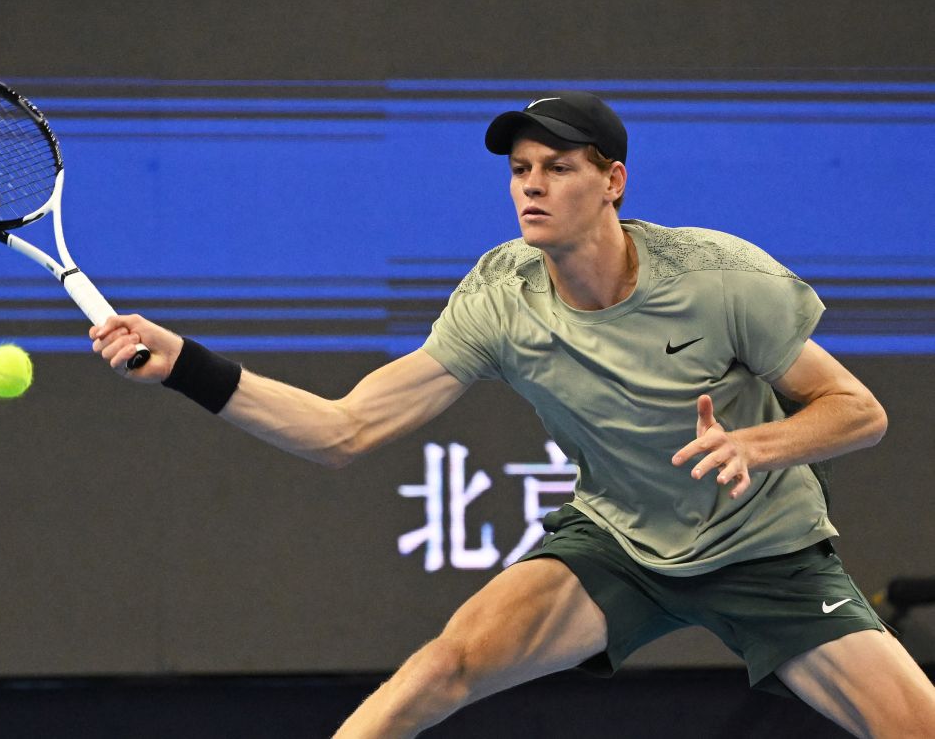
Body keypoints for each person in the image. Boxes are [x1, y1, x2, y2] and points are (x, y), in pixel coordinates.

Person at [90, 91, 935, 738]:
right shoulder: (501, 298)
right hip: (623, 545)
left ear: (612, 182)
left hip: (768, 553)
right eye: (520, 169)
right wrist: (185, 367)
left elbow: (858, 412)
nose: (532, 185)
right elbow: (342, 432)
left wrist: (760, 442)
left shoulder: (720, 279)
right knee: (441, 669)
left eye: (558, 167)